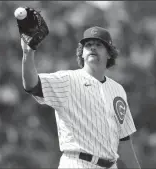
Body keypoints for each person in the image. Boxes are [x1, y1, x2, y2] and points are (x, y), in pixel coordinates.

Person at [21, 26, 141, 169]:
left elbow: (124, 141)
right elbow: (31, 85)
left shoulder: (118, 90)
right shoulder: (68, 80)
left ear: (109, 54)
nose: (93, 48)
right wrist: (28, 53)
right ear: (82, 54)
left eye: (98, 45)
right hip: (78, 163)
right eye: (88, 45)